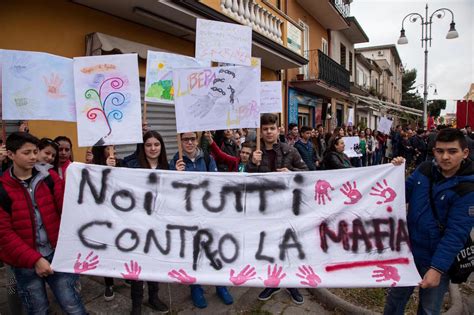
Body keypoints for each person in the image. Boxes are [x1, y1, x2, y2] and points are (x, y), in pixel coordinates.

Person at [384, 128, 474, 315]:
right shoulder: (424, 170)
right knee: (394, 301)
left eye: (452, 151)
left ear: (465, 153)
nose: (445, 157)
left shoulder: (468, 188)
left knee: (429, 309)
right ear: (434, 151)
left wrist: (437, 268)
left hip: (435, 259)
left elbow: (456, 234)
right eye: (440, 151)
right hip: (407, 253)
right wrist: (394, 173)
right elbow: (399, 195)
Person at [0, 132, 86, 314]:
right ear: (11, 154)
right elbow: (4, 233)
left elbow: (67, 209)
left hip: (56, 255)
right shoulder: (3, 189)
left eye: (35, 151)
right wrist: (35, 259)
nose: (33, 156)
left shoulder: (50, 177)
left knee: (73, 305)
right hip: (24, 263)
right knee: (36, 308)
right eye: (26, 152)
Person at [247, 113, 308, 304]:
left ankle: (292, 284)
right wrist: (252, 164)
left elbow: (307, 172)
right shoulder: (255, 153)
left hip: (288, 207)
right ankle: (273, 282)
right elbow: (245, 181)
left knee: (289, 247)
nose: (268, 132)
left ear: (278, 129)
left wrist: (291, 173)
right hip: (265, 209)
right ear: (261, 131)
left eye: (272, 128)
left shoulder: (290, 151)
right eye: (265, 129)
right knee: (270, 246)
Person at [169, 131, 233, 309]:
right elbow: (170, 190)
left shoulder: (207, 158)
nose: (189, 142)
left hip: (209, 212)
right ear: (180, 141)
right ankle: (196, 287)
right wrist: (175, 174)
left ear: (197, 140)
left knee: (214, 249)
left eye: (192, 139)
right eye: (185, 139)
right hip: (188, 216)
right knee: (194, 252)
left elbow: (216, 183)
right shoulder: (175, 161)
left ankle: (220, 285)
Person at [126, 131, 170, 314]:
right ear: (142, 147)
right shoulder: (132, 166)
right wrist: (110, 165)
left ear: (162, 147)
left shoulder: (169, 168)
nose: (153, 148)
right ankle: (136, 304)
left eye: (156, 145)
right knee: (137, 266)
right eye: (148, 145)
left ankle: (153, 297)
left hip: (159, 227)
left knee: (154, 263)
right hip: (138, 226)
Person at [91, 145, 121, 302]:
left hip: (121, 215)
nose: (112, 150)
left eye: (114, 147)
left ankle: (127, 274)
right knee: (107, 250)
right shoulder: (93, 167)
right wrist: (104, 170)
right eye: (109, 148)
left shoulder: (120, 163)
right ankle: (109, 283)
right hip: (103, 217)